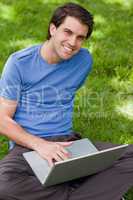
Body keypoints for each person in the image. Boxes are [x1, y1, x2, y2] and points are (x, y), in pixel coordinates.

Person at [0, 2, 132, 200]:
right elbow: (2, 119)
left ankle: (67, 187)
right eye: (68, 32)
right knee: (4, 186)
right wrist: (40, 145)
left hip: (68, 143)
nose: (73, 42)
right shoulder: (19, 63)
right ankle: (91, 190)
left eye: (80, 37)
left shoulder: (84, 60)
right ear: (53, 29)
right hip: (27, 146)